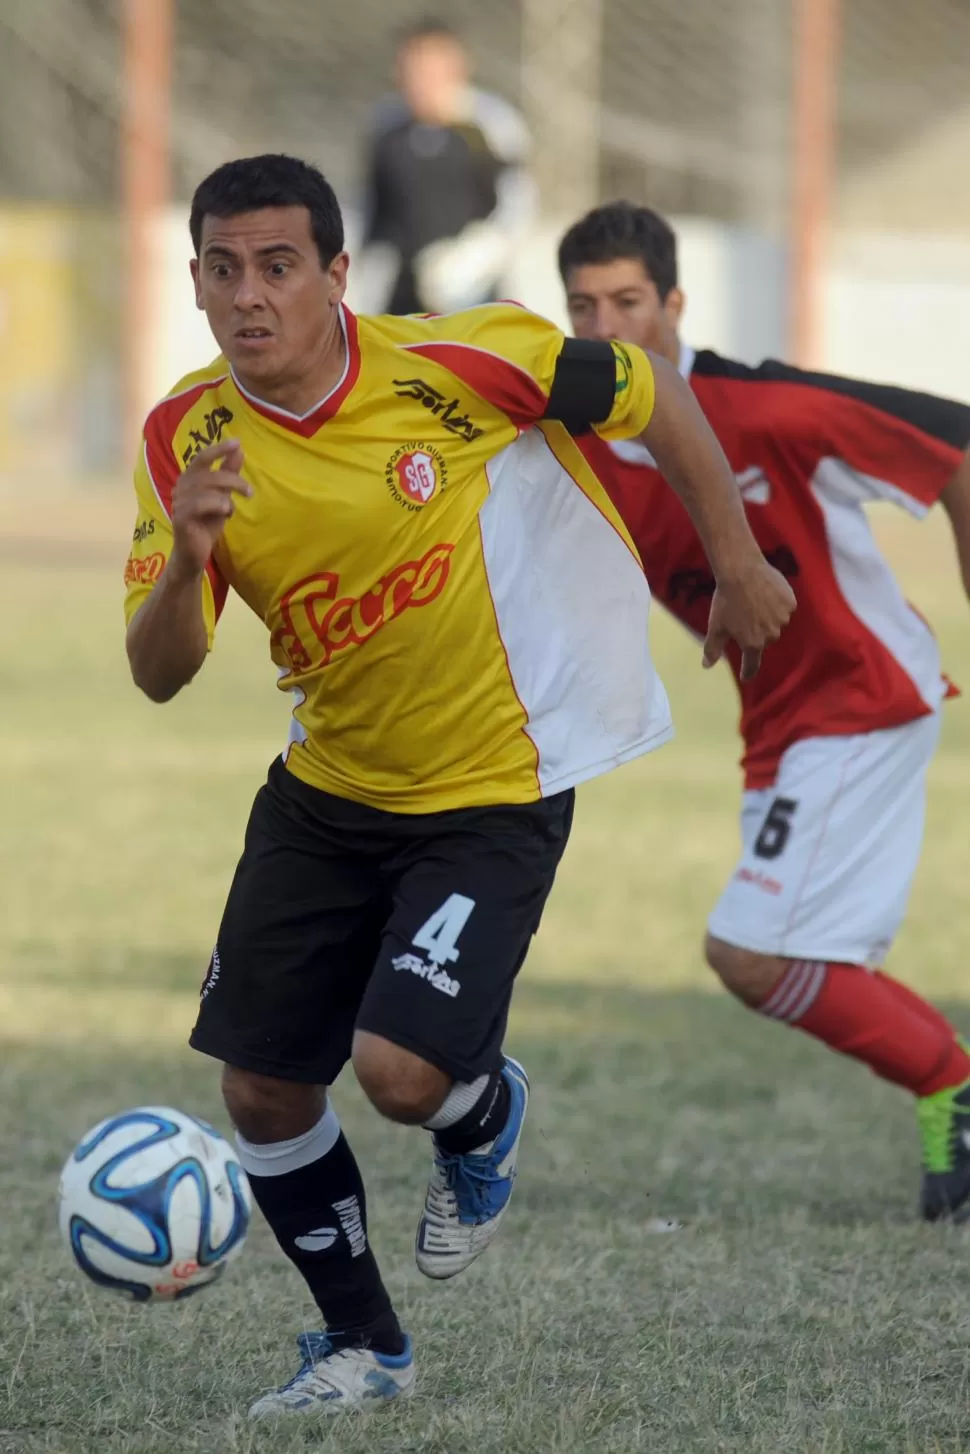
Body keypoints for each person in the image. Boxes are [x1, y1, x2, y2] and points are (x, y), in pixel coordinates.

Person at [123, 154, 793, 1421]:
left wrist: (735, 559)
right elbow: (159, 672)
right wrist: (190, 558)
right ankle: (362, 1346)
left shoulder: (460, 362)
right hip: (325, 788)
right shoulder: (184, 435)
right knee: (261, 1086)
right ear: (197, 282)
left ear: (335, 274)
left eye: (278, 267)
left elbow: (653, 396)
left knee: (399, 1075)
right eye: (222, 269)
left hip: (493, 786)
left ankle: (483, 1102)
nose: (249, 296)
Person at [557, 200, 970, 1221]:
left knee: (754, 951)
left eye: (627, 302)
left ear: (674, 304)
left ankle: (952, 1085)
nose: (606, 329)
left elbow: (955, 443)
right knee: (810, 956)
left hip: (857, 695)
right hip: (779, 721)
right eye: (582, 307)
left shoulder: (767, 408)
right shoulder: (581, 440)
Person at [357, 17, 534, 315]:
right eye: (412, 69)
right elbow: (369, 208)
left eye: (431, 70)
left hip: (473, 295)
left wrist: (471, 260)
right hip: (400, 299)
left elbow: (517, 205)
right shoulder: (385, 128)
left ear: (459, 68)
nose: (421, 81)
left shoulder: (490, 125)